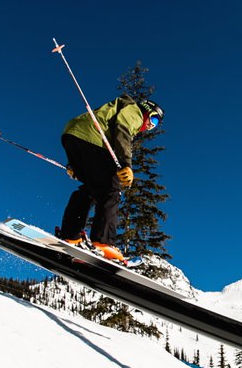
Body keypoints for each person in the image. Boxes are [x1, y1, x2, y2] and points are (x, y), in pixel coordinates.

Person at [58, 94, 164, 261]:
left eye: (155, 125)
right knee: (110, 189)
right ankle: (103, 242)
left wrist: (75, 165)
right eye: (154, 120)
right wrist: (126, 164)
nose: (151, 126)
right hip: (93, 139)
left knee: (90, 190)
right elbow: (123, 128)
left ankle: (70, 235)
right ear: (146, 111)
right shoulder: (134, 111)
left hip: (72, 134)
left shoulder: (117, 110)